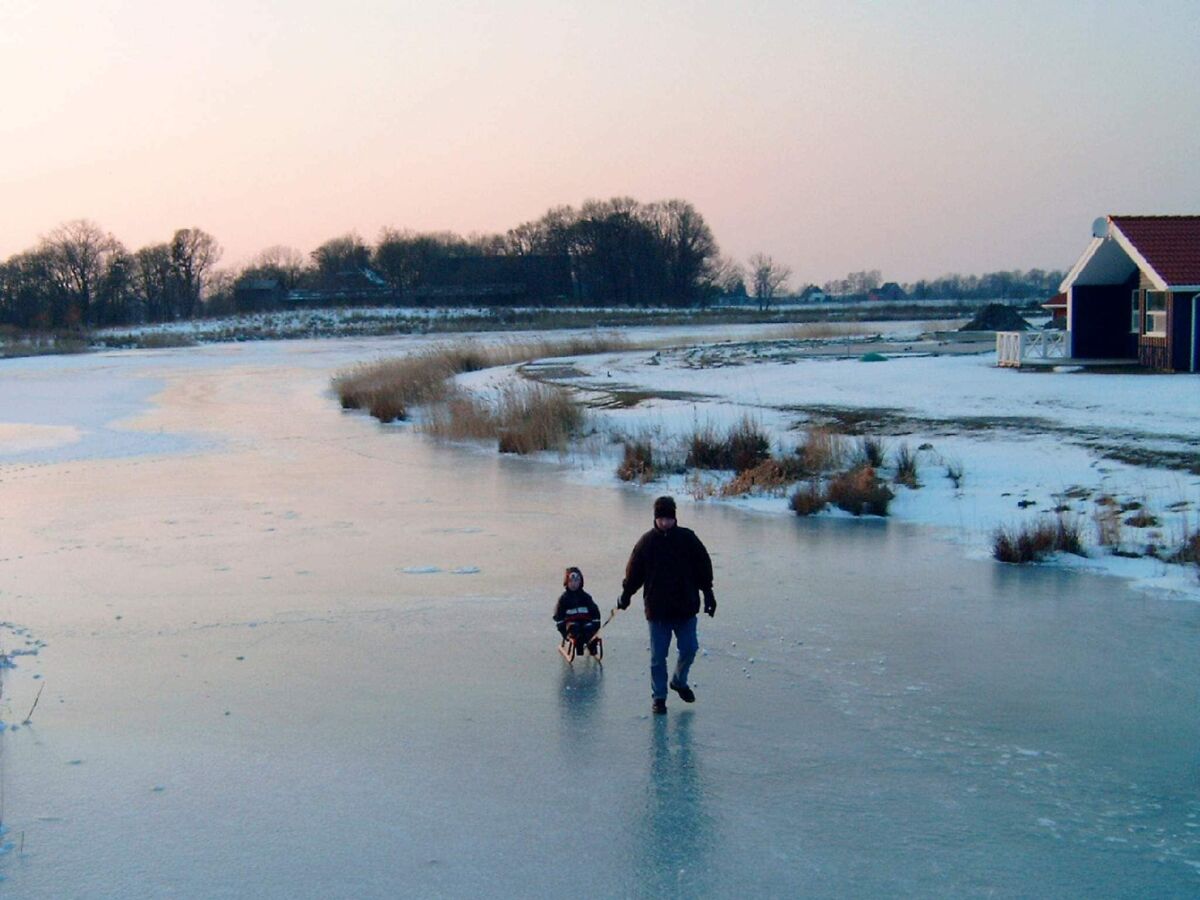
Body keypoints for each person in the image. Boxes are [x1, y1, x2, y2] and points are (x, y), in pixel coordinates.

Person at [618, 496, 716, 714]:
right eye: (661, 518)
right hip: (658, 610)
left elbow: (703, 565)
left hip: (685, 607)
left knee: (690, 649)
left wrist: (708, 592)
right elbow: (634, 572)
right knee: (657, 657)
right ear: (655, 518)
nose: (665, 523)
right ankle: (659, 697)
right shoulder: (647, 543)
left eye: (669, 518)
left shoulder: (688, 539)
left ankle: (679, 681)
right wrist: (626, 593)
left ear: (675, 517)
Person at [553, 566, 602, 657]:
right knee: (574, 629)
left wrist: (596, 624)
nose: (574, 584)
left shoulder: (586, 597)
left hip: (585, 621)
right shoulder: (564, 599)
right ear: (566, 583)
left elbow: (594, 610)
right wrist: (563, 631)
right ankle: (578, 646)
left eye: (576, 581)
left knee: (589, 629)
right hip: (571, 623)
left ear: (581, 582)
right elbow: (558, 615)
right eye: (571, 581)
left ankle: (592, 646)